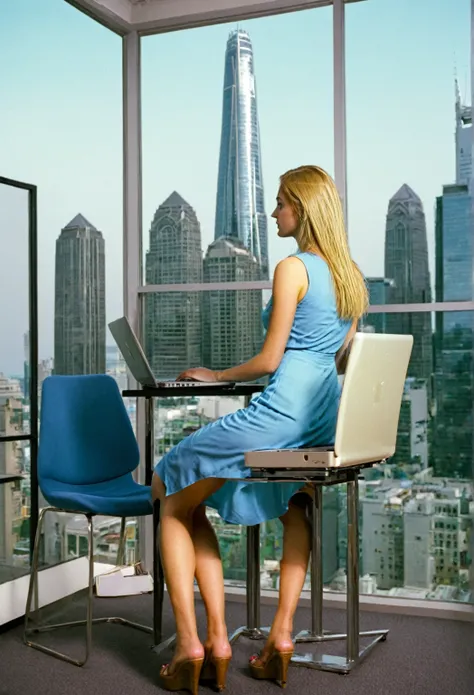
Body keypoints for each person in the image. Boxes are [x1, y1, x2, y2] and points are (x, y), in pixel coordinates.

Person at [152, 165, 368, 694]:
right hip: (322, 415)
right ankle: (280, 640)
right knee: (298, 503)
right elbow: (338, 358)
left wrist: (216, 375)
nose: (274, 212)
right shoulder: (350, 276)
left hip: (279, 414)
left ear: (303, 207)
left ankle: (195, 644)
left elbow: (272, 361)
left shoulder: (293, 267)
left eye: (280, 204)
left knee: (169, 490)